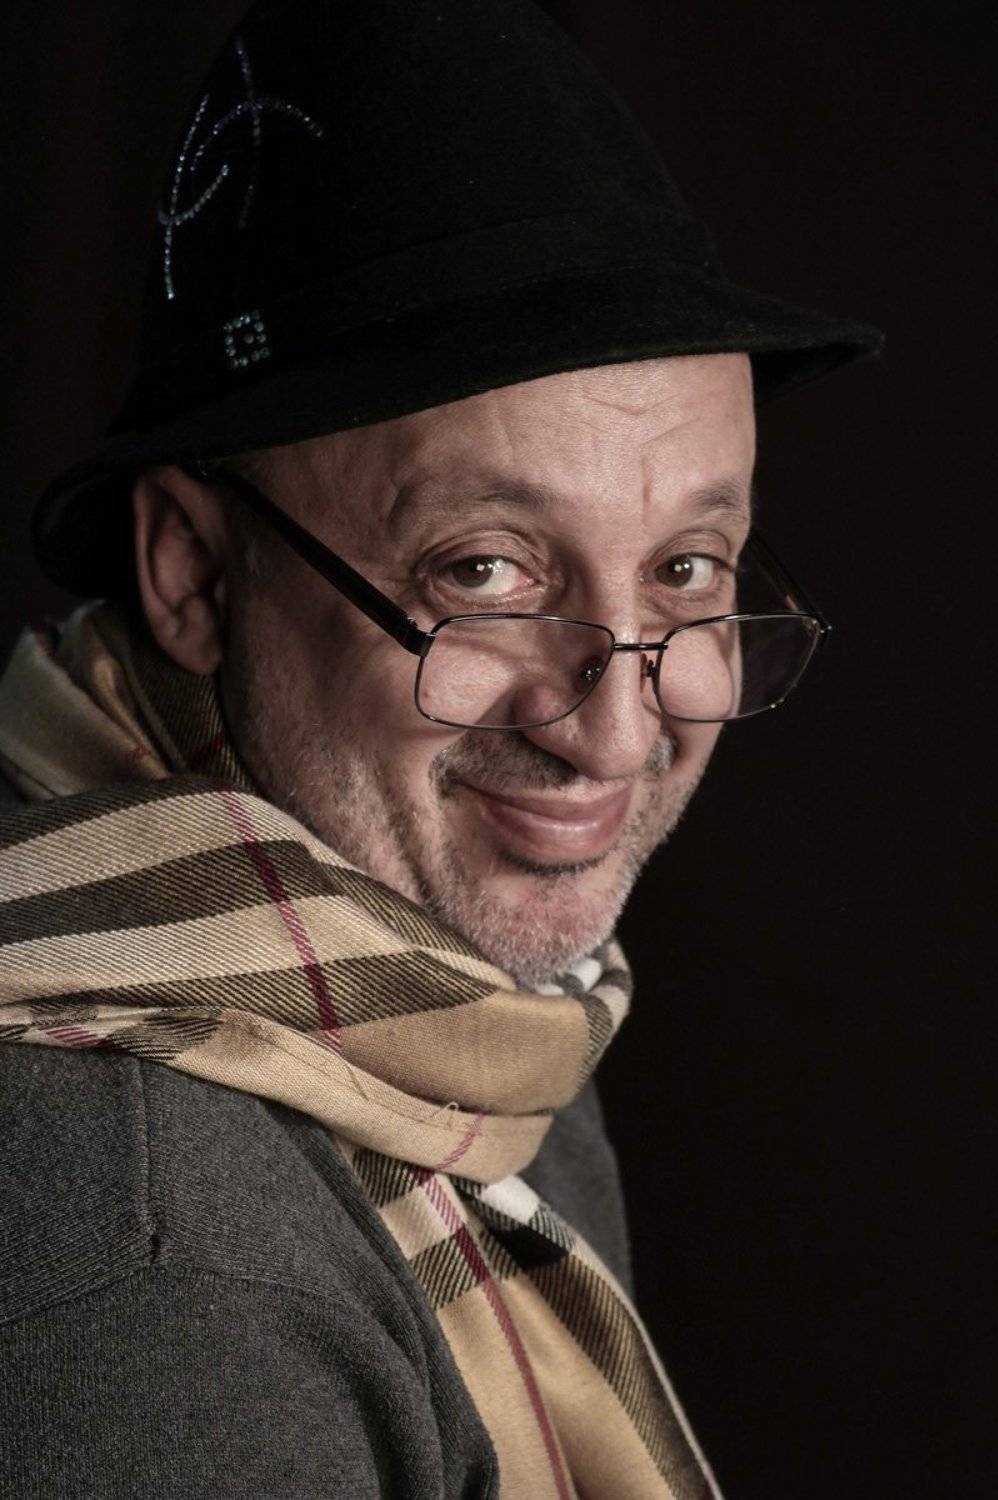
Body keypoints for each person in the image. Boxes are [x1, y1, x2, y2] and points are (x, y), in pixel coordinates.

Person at [0, 0, 880, 1495]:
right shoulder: (159, 1261)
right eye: (485, 573)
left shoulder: (457, 1018)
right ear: (196, 575)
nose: (614, 730)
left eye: (686, 571)